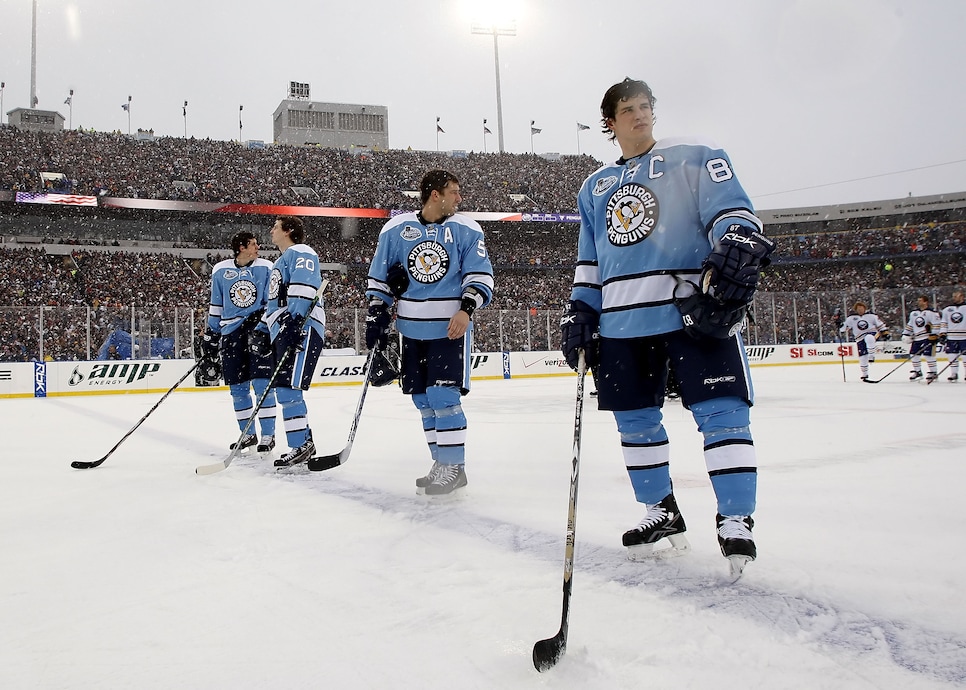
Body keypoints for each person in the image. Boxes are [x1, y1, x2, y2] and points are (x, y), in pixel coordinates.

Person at [560, 78, 774, 577]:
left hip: (690, 314)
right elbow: (589, 262)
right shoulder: (593, 188)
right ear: (609, 123)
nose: (641, 116)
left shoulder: (694, 156)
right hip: (619, 322)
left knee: (722, 414)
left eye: (646, 107)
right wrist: (580, 311)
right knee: (635, 423)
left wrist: (736, 239)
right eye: (628, 110)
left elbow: (732, 213)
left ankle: (735, 518)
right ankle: (661, 511)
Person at [365, 170, 494, 496]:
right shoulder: (395, 229)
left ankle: (454, 466)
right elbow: (379, 278)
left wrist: (467, 308)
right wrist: (377, 315)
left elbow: (480, 276)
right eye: (454, 192)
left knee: (442, 396)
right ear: (434, 194)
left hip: (449, 329)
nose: (459, 198)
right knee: (423, 400)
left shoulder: (466, 229)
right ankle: (441, 463)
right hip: (410, 330)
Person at [251, 217, 326, 467]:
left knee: (288, 388)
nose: (271, 230)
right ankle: (302, 441)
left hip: (300, 326)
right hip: (284, 328)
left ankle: (301, 444)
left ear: (289, 231)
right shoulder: (279, 262)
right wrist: (263, 329)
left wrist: (294, 322)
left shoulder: (301, 251)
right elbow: (275, 303)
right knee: (284, 387)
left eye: (276, 226)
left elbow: (304, 287)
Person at [196, 231, 277, 453]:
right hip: (231, 334)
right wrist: (211, 335)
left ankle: (268, 436)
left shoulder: (266, 267)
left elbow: (272, 301)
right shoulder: (220, 270)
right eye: (253, 244)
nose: (257, 247)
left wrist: (261, 322)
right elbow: (217, 304)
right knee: (238, 388)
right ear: (241, 247)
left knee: (262, 384)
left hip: (258, 332)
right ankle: (248, 434)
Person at [839, 301, 888, 381]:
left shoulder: (872, 316)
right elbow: (843, 329)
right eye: (858, 309)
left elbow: (880, 325)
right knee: (862, 357)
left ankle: (871, 355)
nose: (860, 310)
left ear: (865, 308)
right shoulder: (851, 318)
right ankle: (865, 374)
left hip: (872, 334)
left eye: (862, 308)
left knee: (869, 338)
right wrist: (839, 324)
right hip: (859, 338)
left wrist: (885, 333)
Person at [901, 295, 941, 382]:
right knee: (913, 355)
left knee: (928, 355)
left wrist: (934, 334)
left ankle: (933, 372)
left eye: (920, 301)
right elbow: (911, 325)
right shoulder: (914, 313)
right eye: (918, 300)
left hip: (928, 338)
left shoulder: (932, 313)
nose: (918, 302)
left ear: (925, 302)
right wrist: (906, 334)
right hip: (917, 338)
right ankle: (918, 371)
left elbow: (937, 324)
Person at [939, 289, 966, 381]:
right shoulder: (947, 309)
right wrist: (942, 334)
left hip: (964, 337)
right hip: (951, 337)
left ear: (962, 297)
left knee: (965, 356)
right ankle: (954, 373)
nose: (954, 298)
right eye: (953, 296)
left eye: (956, 296)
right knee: (951, 355)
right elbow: (944, 322)